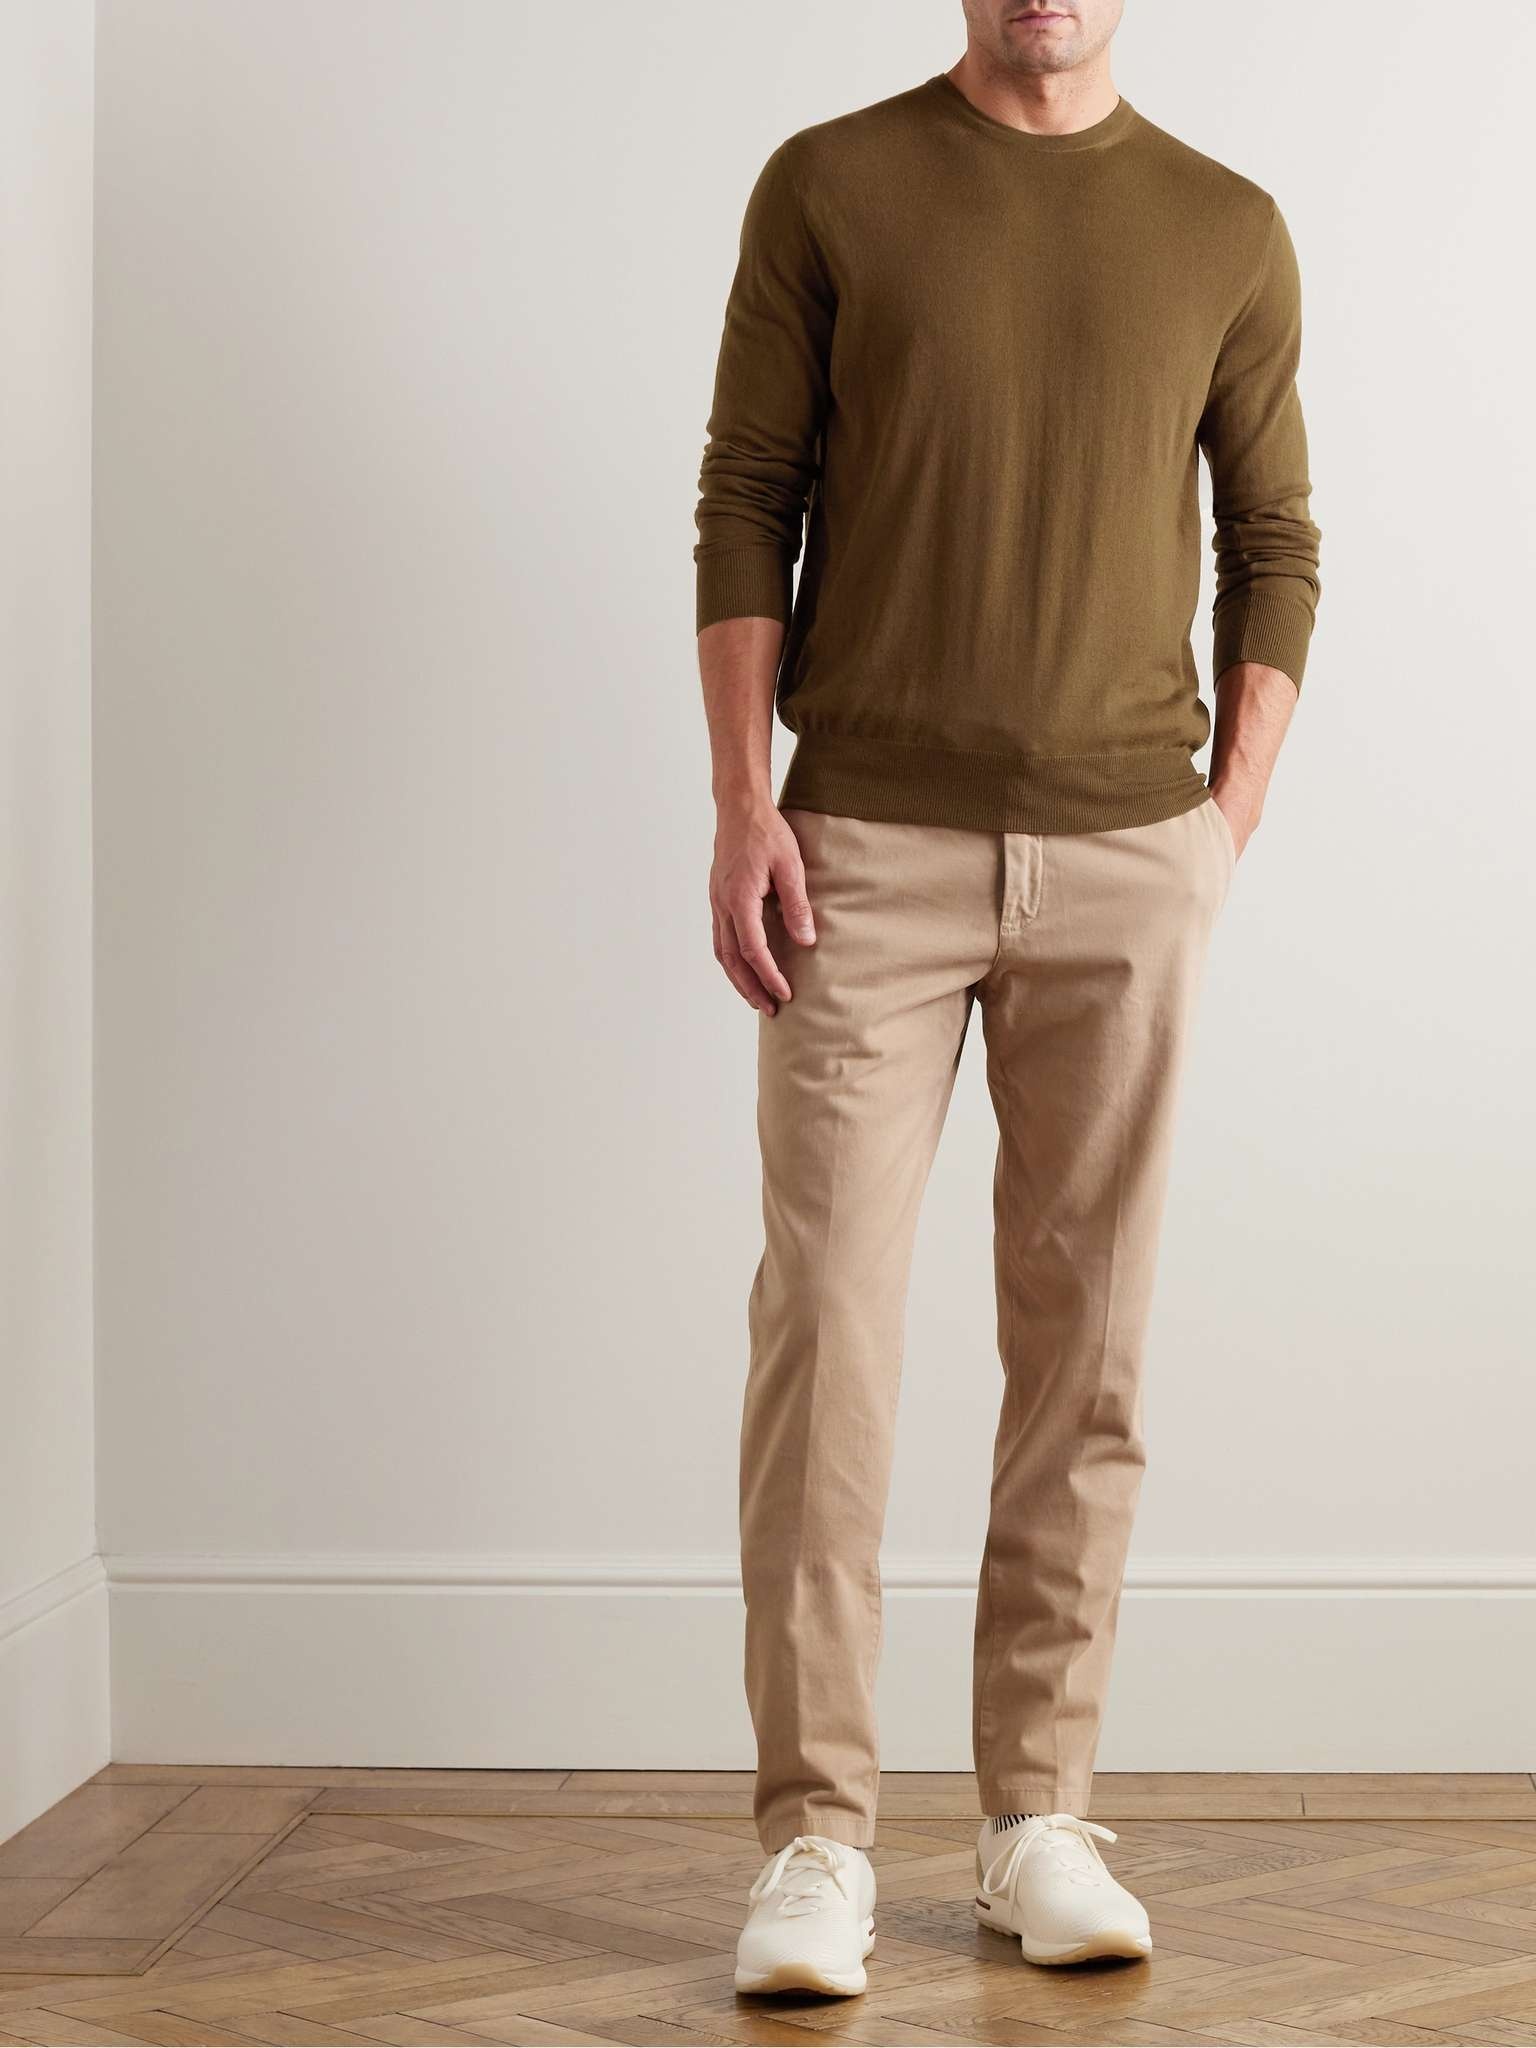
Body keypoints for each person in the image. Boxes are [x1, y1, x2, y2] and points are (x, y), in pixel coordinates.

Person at [693, 0, 1320, 1998]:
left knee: (1089, 1346)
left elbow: (1277, 543)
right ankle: (816, 1838)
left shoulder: (1226, 226)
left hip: (1130, 857)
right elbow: (747, 496)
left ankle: (1037, 1813)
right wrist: (743, 803)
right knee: (827, 1333)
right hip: (860, 846)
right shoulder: (831, 186)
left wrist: (1219, 825)